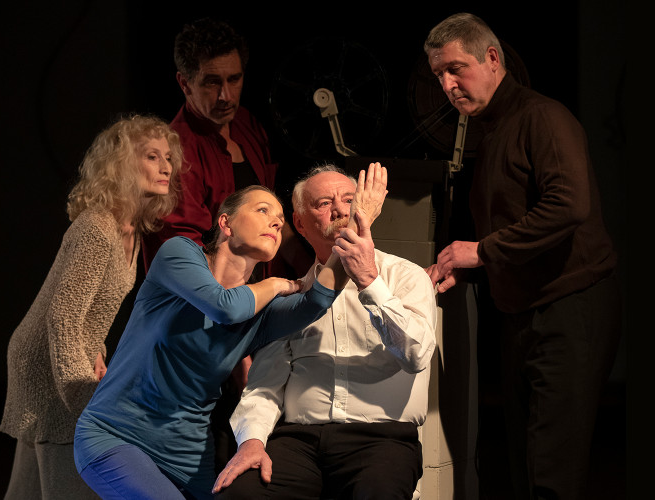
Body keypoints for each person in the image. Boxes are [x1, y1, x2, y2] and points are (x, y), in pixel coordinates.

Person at [73, 164, 389, 500]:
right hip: (116, 436)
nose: (275, 222)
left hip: (188, 456)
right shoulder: (179, 253)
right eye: (263, 210)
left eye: (280, 220)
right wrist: (274, 284)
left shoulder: (261, 313)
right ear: (226, 223)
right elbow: (223, 306)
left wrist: (360, 222)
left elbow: (318, 300)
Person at [423, 13, 622, 500]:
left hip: (567, 308)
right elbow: (510, 221)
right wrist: (466, 269)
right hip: (523, 314)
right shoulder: (492, 128)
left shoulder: (541, 117)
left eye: (456, 69)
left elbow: (568, 205)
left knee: (551, 474)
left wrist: (482, 252)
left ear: (492, 58)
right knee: (525, 467)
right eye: (439, 75)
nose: (447, 86)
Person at [141, 16, 313, 474]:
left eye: (234, 80)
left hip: (252, 314)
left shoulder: (248, 126)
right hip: (206, 328)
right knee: (212, 454)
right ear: (184, 83)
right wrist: (240, 352)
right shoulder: (178, 150)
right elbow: (195, 268)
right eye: (210, 82)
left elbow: (275, 223)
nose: (225, 95)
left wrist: (311, 270)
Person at [209, 164, 434, 499]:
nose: (340, 210)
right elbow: (264, 385)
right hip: (298, 440)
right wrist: (252, 442)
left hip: (381, 439)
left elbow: (415, 356)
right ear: (299, 223)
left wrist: (369, 280)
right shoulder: (293, 296)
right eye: (324, 203)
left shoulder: (405, 276)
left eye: (349, 200)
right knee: (239, 493)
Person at [0, 114, 183, 500]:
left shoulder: (129, 230)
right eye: (152, 156)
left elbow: (89, 312)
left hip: (63, 355)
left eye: (168, 157)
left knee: (28, 489)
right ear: (122, 164)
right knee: (69, 481)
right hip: (47, 363)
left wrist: (96, 351)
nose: (166, 166)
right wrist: (84, 398)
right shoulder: (98, 227)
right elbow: (64, 317)